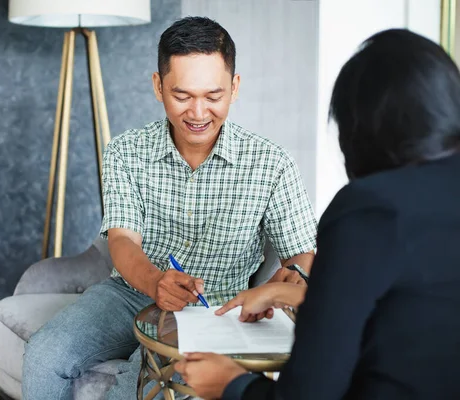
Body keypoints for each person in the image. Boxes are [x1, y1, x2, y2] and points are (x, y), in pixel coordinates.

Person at [22, 16, 317, 399]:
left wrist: (288, 281)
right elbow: (123, 239)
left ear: (235, 87)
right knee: (43, 357)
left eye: (213, 96)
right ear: (158, 86)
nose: (198, 113)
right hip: (127, 293)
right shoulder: (125, 152)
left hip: (215, 311)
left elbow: (301, 252)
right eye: (182, 95)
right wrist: (154, 283)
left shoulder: (272, 163)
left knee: (135, 391)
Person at [175, 28, 460, 400]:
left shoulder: (367, 210)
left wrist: (231, 384)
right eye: (183, 95)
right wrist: (297, 295)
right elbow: (416, 306)